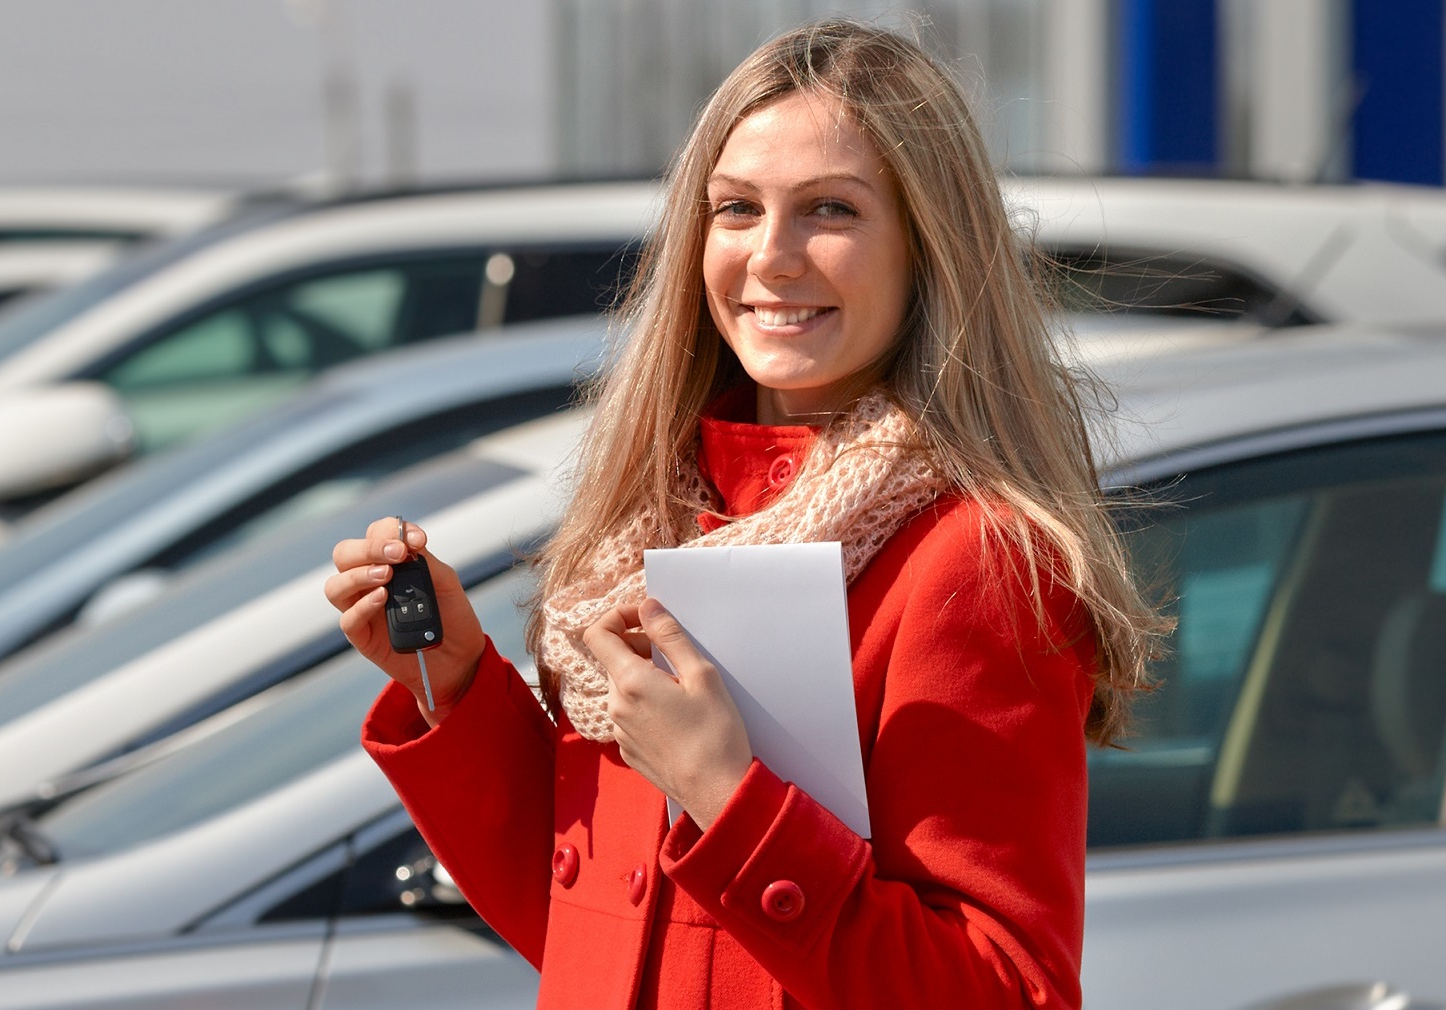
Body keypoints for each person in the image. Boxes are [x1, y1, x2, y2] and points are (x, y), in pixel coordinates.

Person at [323, 19, 1166, 1010]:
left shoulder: (973, 558)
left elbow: (1005, 992)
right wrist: (456, 686)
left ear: (928, 246)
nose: (771, 257)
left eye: (829, 210)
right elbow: (594, 939)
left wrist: (730, 795)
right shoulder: (644, 526)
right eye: (736, 209)